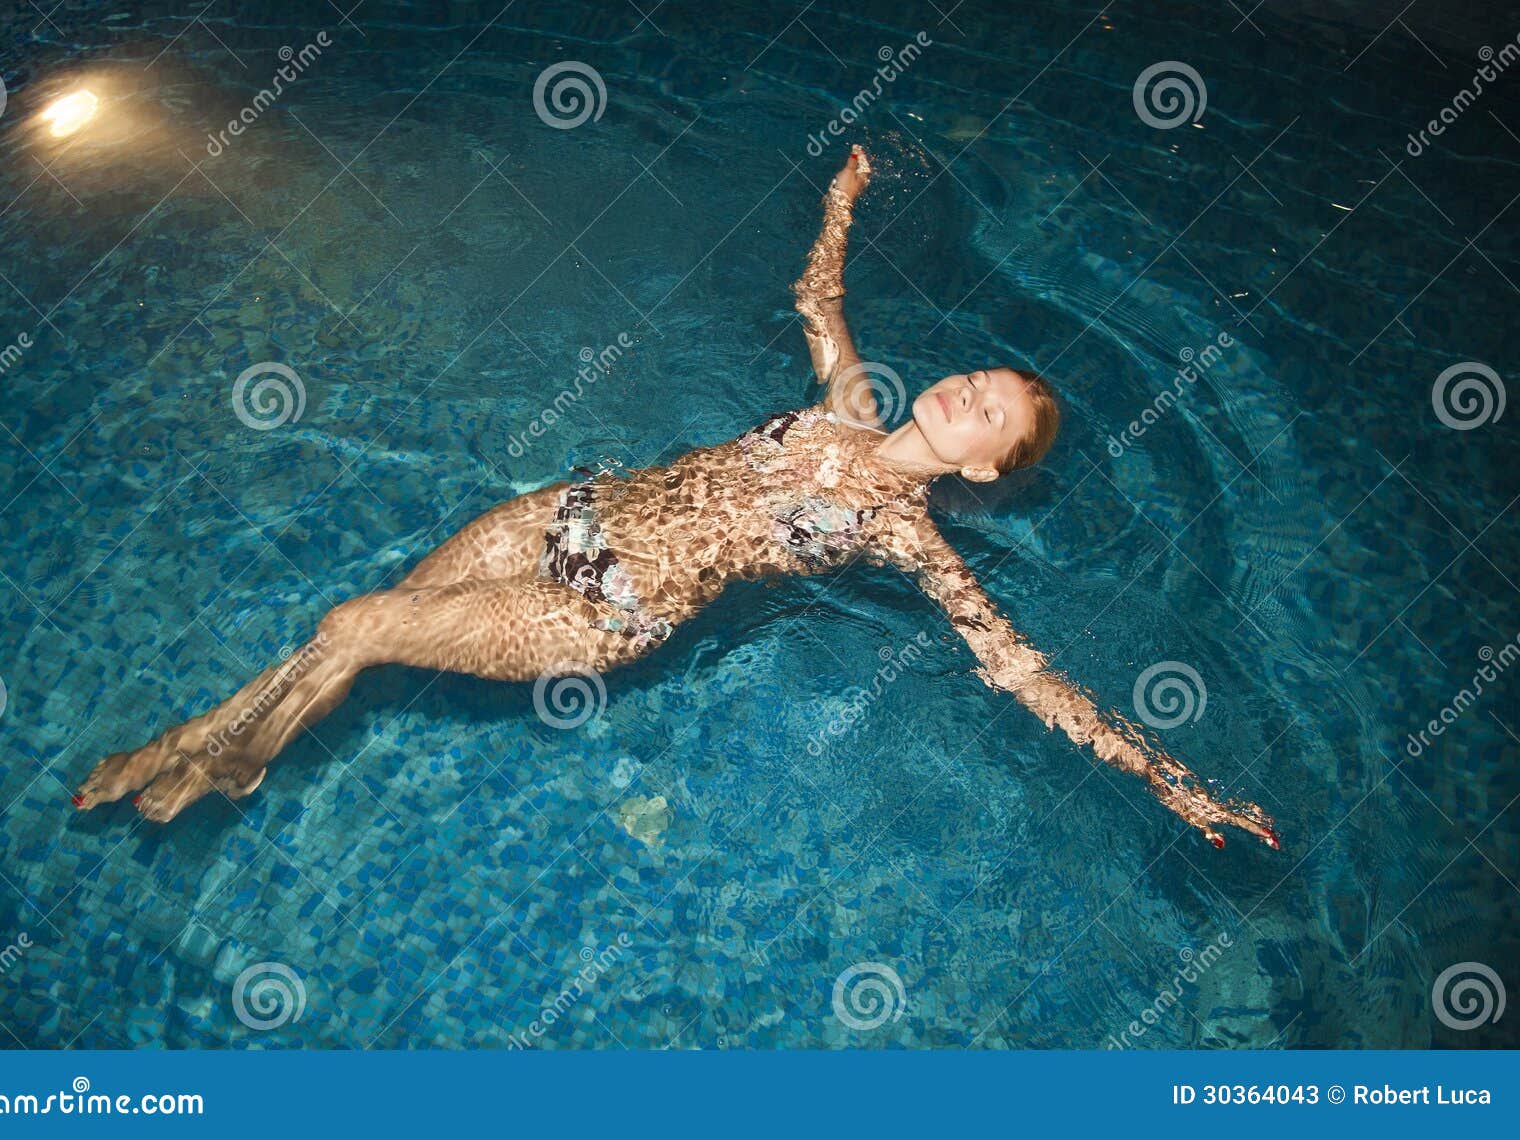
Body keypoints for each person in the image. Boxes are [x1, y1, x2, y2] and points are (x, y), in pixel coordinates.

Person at [74, 145, 1278, 851]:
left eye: (990, 416)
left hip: (604, 613)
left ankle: (224, 756)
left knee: (354, 629)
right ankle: (206, 743)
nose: (967, 392)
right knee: (374, 616)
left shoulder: (905, 533)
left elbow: (1017, 669)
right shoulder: (853, 402)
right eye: (975, 378)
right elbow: (817, 298)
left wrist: (1165, 779)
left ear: (981, 469)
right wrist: (845, 202)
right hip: (561, 513)